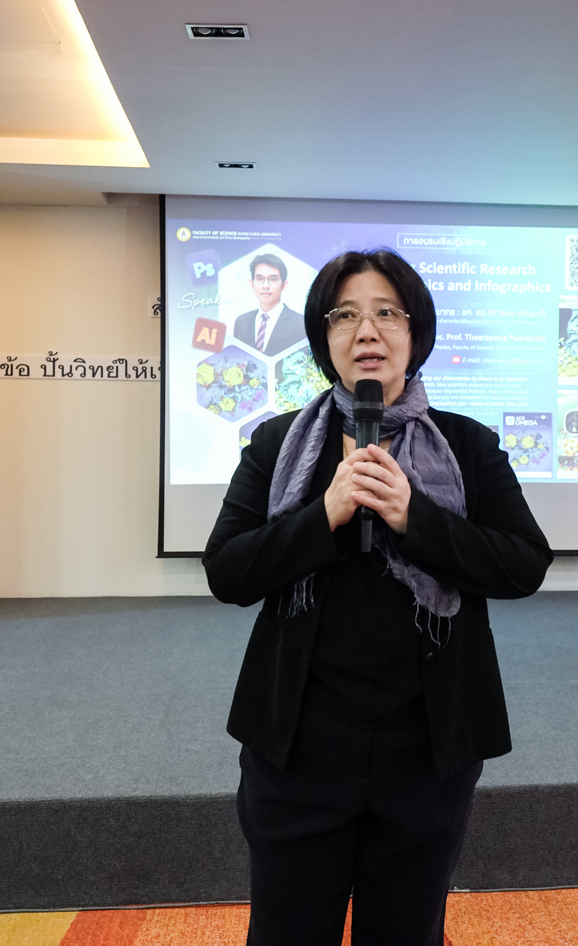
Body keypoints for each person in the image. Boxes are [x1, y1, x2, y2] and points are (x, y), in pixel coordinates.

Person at [205, 249, 551, 945]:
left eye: (387, 313)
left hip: (426, 750)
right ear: (323, 338)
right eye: (345, 315)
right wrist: (325, 515)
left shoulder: (468, 445)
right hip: (299, 747)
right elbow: (228, 572)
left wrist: (414, 517)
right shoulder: (277, 444)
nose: (367, 330)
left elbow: (523, 564)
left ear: (416, 333)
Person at [233, 253, 308, 355]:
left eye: (273, 279)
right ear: (252, 283)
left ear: (284, 285)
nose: (265, 285)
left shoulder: (301, 324)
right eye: (259, 279)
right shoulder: (241, 322)